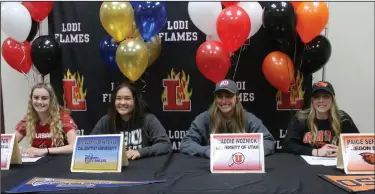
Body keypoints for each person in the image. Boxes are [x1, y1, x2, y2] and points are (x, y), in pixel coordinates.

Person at [180, 79, 276, 158]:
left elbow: (268, 142)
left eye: (229, 96)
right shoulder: (205, 118)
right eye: (220, 97)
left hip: (242, 166)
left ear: (237, 98)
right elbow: (186, 143)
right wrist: (206, 151)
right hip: (211, 170)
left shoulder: (248, 118)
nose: (224, 101)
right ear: (215, 99)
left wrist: (248, 152)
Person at [91, 82, 172, 160]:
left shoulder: (149, 120)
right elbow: (90, 146)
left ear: (135, 101)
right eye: (118, 98)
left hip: (143, 170)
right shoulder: (105, 121)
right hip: (115, 171)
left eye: (127, 98)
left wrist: (140, 152)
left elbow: (165, 145)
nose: (122, 102)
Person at [282, 81, 359, 157]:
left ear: (332, 100)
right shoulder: (300, 118)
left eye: (326, 96)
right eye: (316, 97)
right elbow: (288, 145)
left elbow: (359, 144)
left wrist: (343, 151)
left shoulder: (343, 118)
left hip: (334, 166)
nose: (321, 100)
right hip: (306, 166)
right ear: (312, 100)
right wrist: (316, 152)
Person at [15, 82, 78, 157]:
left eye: (44, 98)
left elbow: (75, 146)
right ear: (31, 99)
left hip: (59, 163)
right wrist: (15, 148)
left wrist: (45, 151)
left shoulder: (63, 117)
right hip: (37, 165)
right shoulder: (29, 119)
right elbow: (8, 142)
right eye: (36, 97)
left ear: (51, 100)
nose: (39, 102)